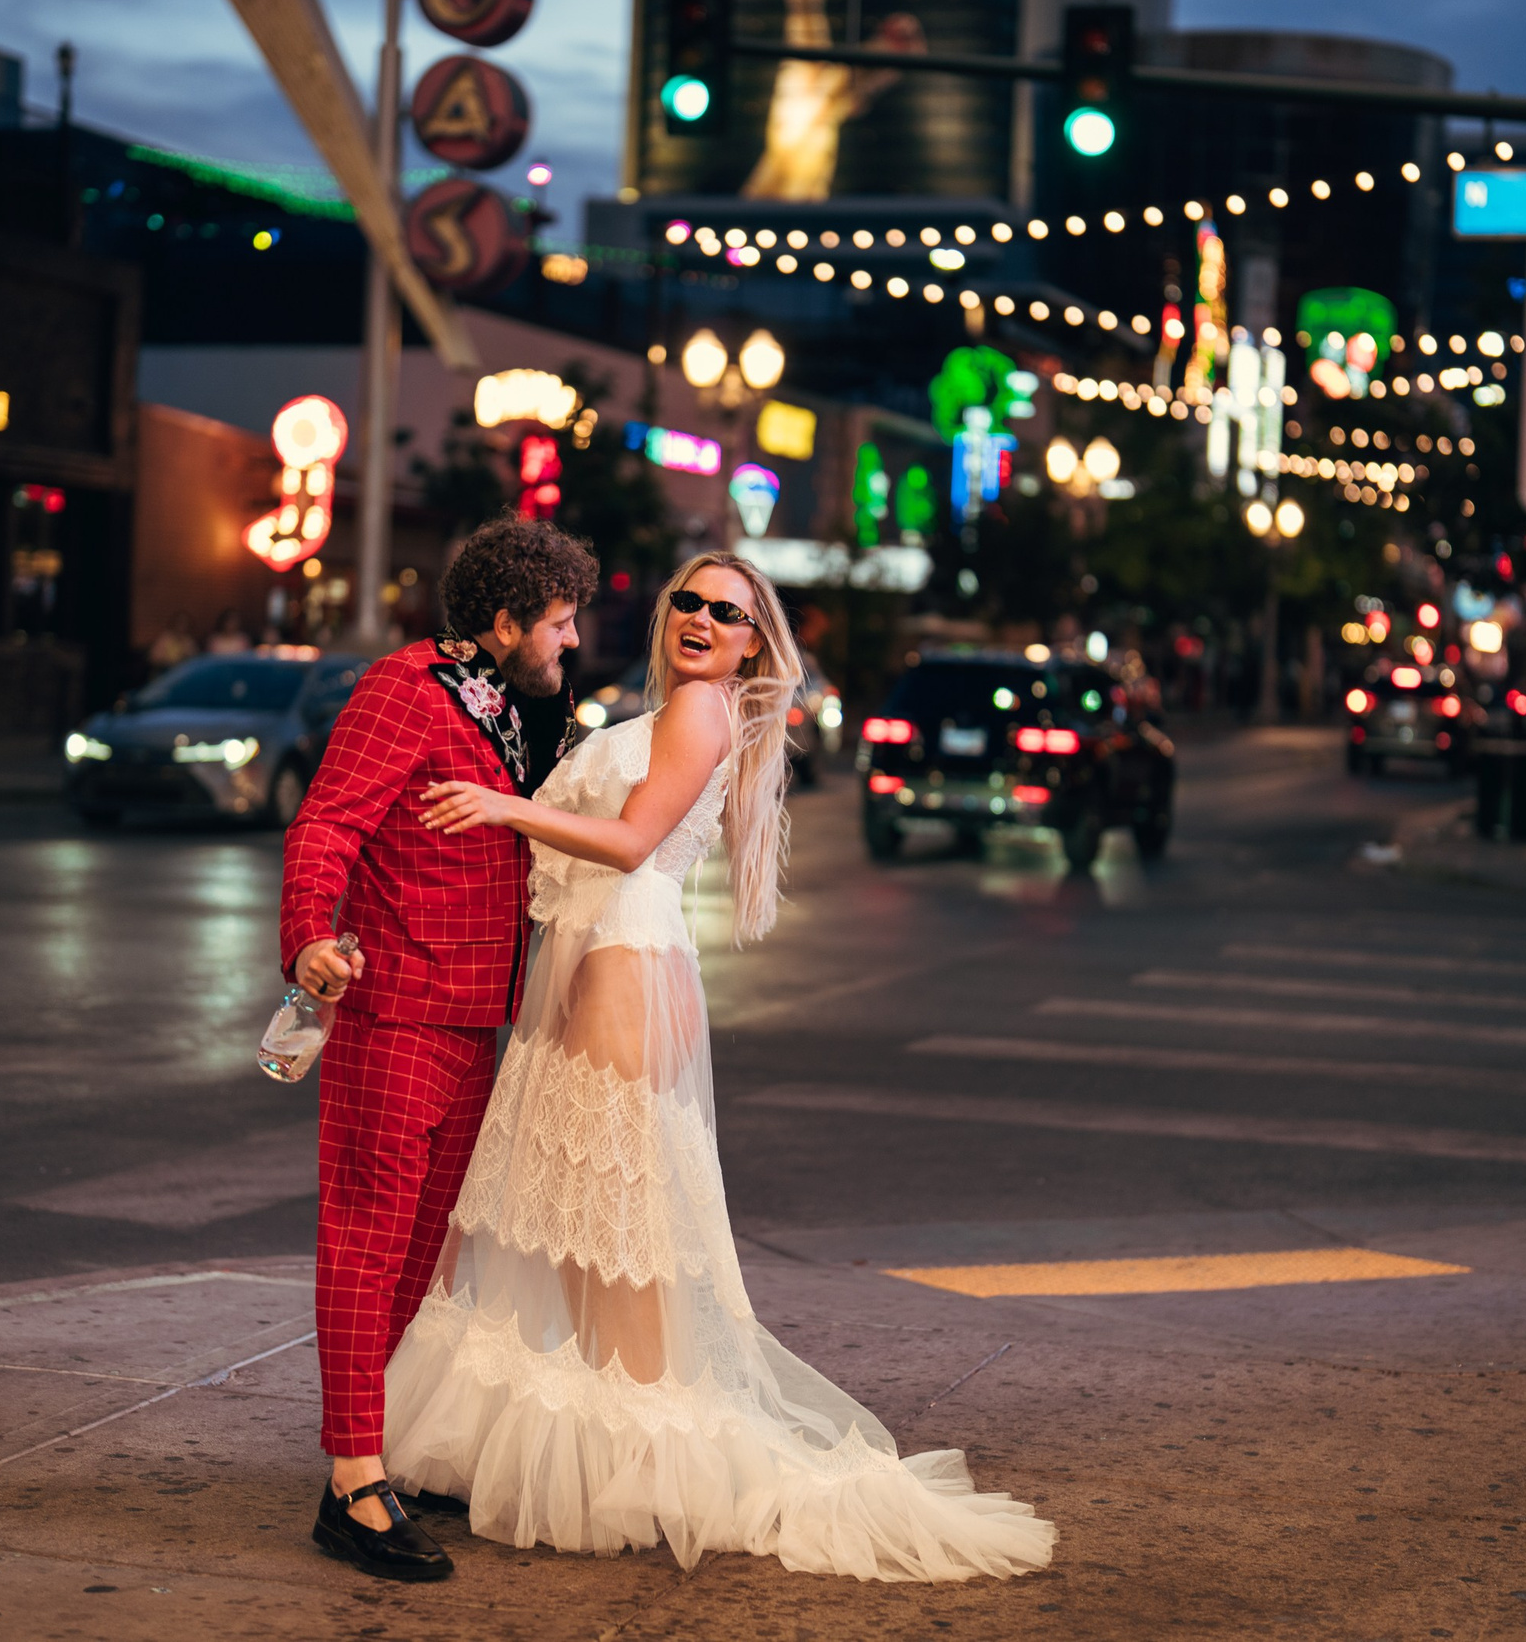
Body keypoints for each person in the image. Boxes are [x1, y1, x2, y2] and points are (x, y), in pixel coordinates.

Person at [392, 552, 1057, 1583]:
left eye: (729, 613)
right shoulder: (658, 713)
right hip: (592, 967)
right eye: (690, 603)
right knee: (565, 1228)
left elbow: (629, 840)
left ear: (753, 642)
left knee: (615, 1237)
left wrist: (501, 806)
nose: (702, 620)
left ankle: (640, 1456)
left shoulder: (703, 712)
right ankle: (570, 1447)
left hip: (623, 966)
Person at [279, 514, 602, 1583]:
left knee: (421, 1256)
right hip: (396, 1006)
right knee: (367, 1242)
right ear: (503, 620)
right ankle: (351, 1485)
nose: (570, 641)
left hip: (476, 1012)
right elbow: (327, 824)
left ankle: (380, 1450)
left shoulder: (516, 704)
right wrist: (311, 938)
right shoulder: (402, 689)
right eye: (557, 623)